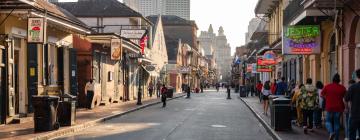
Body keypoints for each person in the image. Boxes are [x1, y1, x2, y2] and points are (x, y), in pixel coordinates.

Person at [321, 74, 346, 140]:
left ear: (332, 79)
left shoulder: (327, 86)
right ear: (339, 80)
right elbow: (345, 98)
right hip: (339, 107)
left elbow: (321, 95)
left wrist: (327, 98)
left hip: (329, 107)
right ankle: (336, 138)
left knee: (328, 121)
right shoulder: (342, 88)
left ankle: (331, 132)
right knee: (337, 123)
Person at [345, 69, 360, 140]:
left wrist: (346, 108)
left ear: (357, 76)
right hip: (355, 114)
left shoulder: (353, 87)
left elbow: (346, 98)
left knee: (352, 133)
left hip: (355, 114)